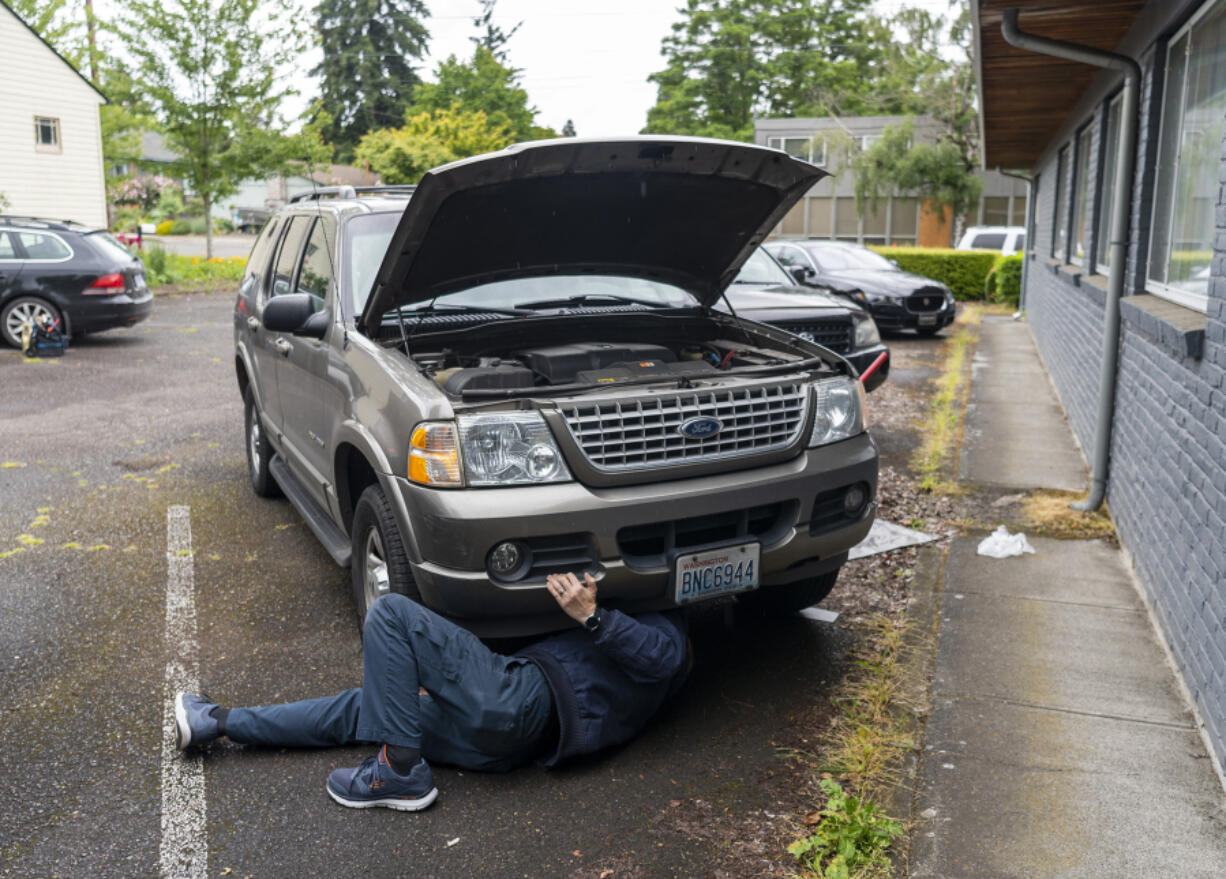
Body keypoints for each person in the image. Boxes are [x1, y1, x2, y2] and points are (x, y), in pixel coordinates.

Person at [173, 571, 690, 812]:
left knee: (390, 612)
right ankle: (218, 722)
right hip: (508, 747)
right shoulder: (635, 649)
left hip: (523, 702)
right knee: (363, 708)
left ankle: (399, 772)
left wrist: (592, 617)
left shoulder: (668, 632)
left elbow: (661, 659)